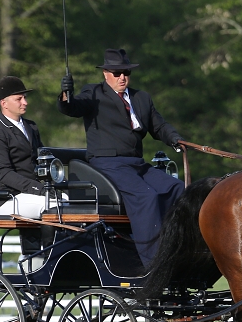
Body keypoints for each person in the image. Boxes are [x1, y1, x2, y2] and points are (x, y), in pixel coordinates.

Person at [57, 48, 184, 267]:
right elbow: (72, 108)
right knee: (147, 197)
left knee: (177, 188)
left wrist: (176, 139)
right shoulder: (94, 94)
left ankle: (178, 249)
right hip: (108, 163)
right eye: (117, 73)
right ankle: (154, 263)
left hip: (137, 164)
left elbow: (159, 126)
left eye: (126, 72)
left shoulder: (141, 98)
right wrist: (66, 94)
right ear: (105, 74)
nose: (122, 77)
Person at [0, 76, 62, 218]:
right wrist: (39, 189)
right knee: (55, 205)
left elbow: (42, 158)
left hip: (30, 194)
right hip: (8, 197)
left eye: (24, 98)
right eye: (19, 99)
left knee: (70, 201)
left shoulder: (30, 126)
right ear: (4, 103)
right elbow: (4, 174)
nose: (25, 102)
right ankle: (48, 241)